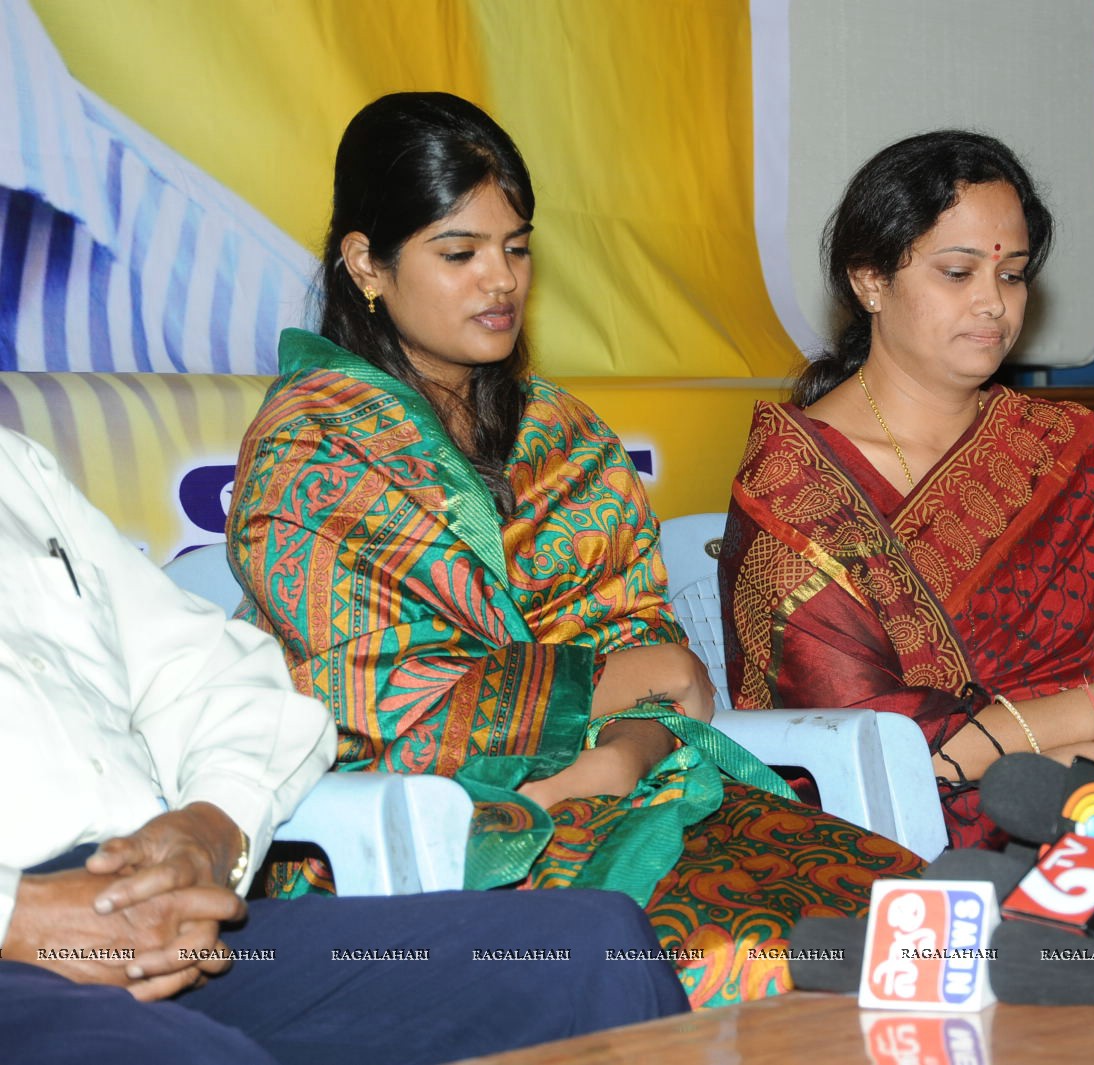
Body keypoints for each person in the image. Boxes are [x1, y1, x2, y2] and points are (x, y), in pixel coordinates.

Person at [226, 92, 920, 1009]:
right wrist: (619, 690)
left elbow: (655, 655)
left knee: (909, 907)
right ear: (366, 262)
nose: (500, 280)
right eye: (459, 252)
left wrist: (620, 756)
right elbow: (376, 704)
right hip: (424, 839)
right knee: (772, 960)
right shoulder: (312, 448)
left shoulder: (562, 433)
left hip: (642, 790)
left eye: (516, 247)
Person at [0, 426, 688, 1065]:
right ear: (367, 283)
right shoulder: (314, 442)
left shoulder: (17, 471)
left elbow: (221, 677)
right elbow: (363, 690)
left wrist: (210, 826)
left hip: (155, 906)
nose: (499, 284)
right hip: (22, 947)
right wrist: (17, 917)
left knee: (594, 949)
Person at [720, 130, 1094, 851]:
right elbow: (869, 741)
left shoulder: (1058, 447)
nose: (994, 303)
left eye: (1013, 275)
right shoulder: (795, 482)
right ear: (870, 281)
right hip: (892, 823)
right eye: (958, 273)